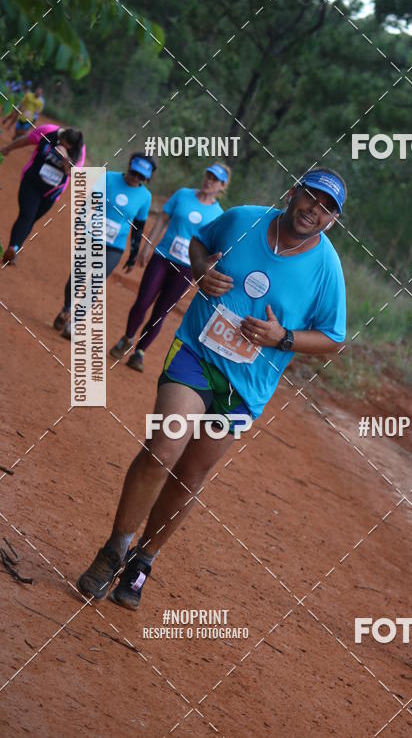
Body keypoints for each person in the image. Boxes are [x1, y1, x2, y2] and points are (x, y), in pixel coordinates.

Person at [77, 167, 347, 610]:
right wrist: (202, 268)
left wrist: (283, 338)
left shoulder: (327, 269)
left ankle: (144, 559)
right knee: (164, 448)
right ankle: (114, 550)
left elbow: (334, 339)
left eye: (326, 209)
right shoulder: (245, 220)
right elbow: (200, 242)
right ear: (293, 192)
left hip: (246, 386)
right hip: (196, 353)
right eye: (311, 198)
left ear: (332, 220)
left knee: (190, 475)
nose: (314, 212)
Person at [109, 162, 230, 374]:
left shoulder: (219, 215)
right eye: (208, 176)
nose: (209, 181)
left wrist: (204, 270)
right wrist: (147, 246)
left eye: (215, 179)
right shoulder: (183, 195)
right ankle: (127, 338)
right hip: (162, 257)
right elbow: (163, 220)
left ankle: (140, 352)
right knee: (143, 301)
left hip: (187, 269)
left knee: (161, 312)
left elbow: (214, 248)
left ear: (222, 185)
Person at [53, 154, 155, 338]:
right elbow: (89, 202)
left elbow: (138, 228)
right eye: (134, 172)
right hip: (91, 237)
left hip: (114, 246)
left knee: (95, 284)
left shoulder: (145, 197)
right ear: (129, 167)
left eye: (141, 176)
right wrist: (80, 222)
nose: (135, 178)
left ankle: (74, 324)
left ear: (147, 178)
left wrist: (133, 256)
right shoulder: (108, 178)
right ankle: (66, 308)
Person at [1, 122, 85, 265]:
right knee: (26, 215)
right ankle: (13, 247)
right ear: (62, 137)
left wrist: (65, 158)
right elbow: (25, 141)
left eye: (69, 147)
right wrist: (8, 148)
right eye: (64, 144)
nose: (66, 147)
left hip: (51, 192)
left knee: (32, 219)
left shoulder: (78, 149)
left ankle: (14, 249)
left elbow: (72, 173)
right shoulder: (48, 132)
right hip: (31, 182)